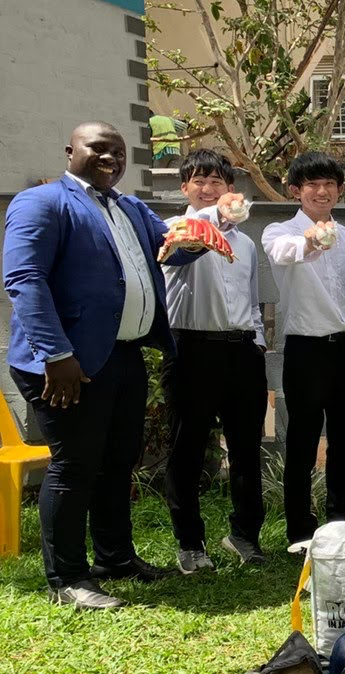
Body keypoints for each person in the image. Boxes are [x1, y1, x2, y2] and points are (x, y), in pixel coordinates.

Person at [4, 121, 208, 609]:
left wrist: (201, 236)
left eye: (118, 151)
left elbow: (171, 252)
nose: (111, 158)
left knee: (118, 462)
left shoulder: (130, 207)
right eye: (98, 148)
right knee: (75, 465)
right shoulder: (42, 202)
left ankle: (114, 558)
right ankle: (67, 578)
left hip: (123, 355)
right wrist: (57, 354)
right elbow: (24, 279)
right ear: (70, 150)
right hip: (66, 364)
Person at [161, 149, 268, 572]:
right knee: (187, 448)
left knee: (246, 448)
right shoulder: (176, 229)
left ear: (230, 189)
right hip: (192, 348)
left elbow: (252, 300)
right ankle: (190, 542)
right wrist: (214, 218)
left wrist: (257, 342)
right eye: (199, 181)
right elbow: (186, 247)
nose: (208, 189)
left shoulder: (246, 243)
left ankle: (245, 534)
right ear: (184, 187)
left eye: (216, 182)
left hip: (242, 350)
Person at [262, 152, 345, 545]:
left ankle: (342, 523)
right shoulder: (279, 231)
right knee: (302, 440)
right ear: (296, 190)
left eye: (329, 185)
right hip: (306, 348)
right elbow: (283, 253)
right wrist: (312, 239)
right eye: (312, 185)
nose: (321, 192)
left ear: (340, 190)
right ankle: (300, 530)